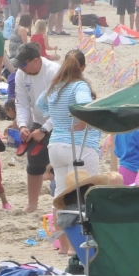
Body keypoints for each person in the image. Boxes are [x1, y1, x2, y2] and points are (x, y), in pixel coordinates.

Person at [38, 49, 101, 191]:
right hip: (79, 144)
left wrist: (56, 115)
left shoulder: (55, 85)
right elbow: (84, 104)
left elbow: (39, 102)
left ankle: (60, 214)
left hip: (56, 145)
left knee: (61, 192)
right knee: (85, 191)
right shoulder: (79, 85)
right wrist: (84, 121)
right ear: (83, 67)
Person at [11, 43, 59, 212]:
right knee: (34, 160)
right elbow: (22, 102)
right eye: (20, 65)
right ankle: (32, 205)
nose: (22, 68)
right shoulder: (21, 74)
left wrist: (45, 130)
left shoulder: (53, 71)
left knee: (61, 160)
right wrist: (23, 125)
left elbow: (62, 106)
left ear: (36, 60)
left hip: (61, 121)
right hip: (38, 119)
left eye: (25, 64)